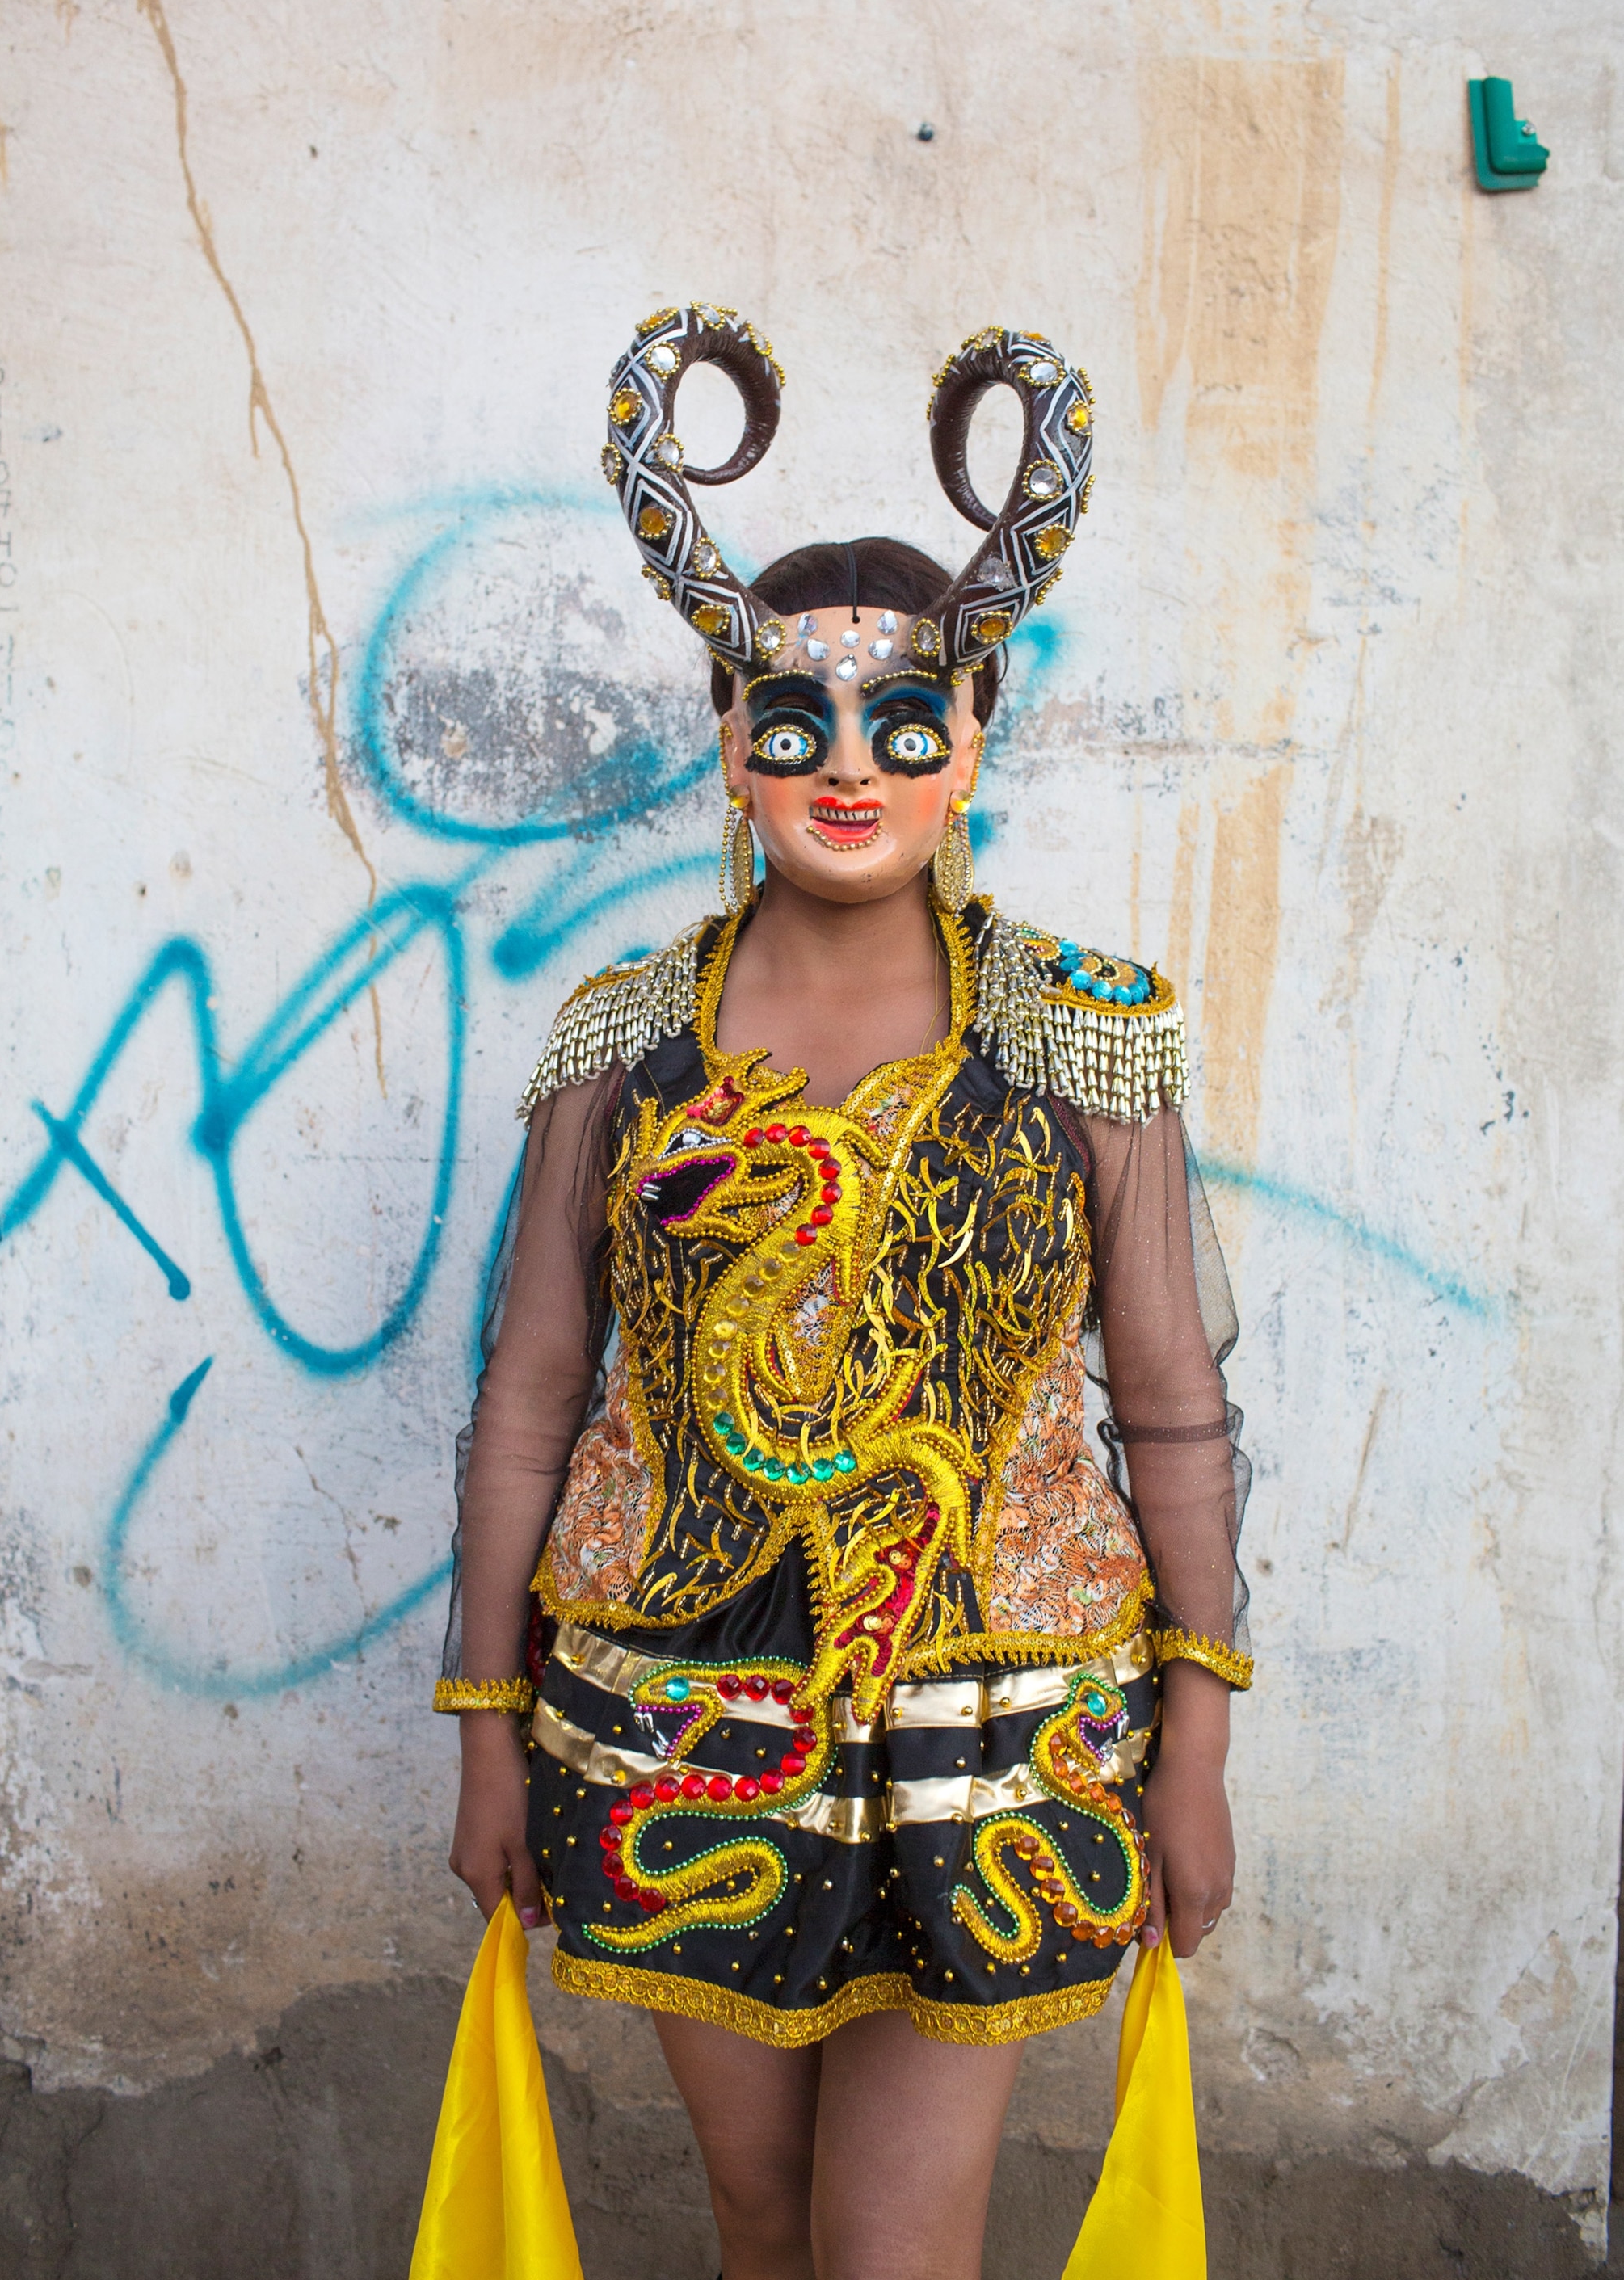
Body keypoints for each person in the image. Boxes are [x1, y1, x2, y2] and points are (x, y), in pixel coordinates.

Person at [434, 307, 1250, 2280]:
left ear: (973, 743)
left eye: (905, 724)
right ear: (728, 744)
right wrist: (480, 1726)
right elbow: (535, 1391)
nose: (849, 766)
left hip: (999, 1729)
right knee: (759, 2217)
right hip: (673, 1721)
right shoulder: (626, 1038)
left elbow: (1168, 1406)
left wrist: (1200, 1746)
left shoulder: (1082, 1037)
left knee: (899, 2245)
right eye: (791, 721)